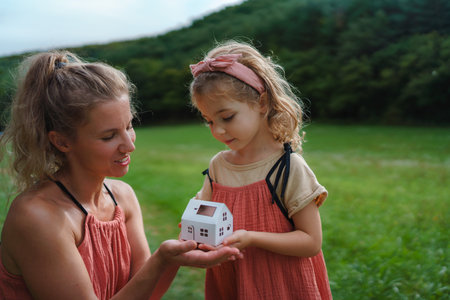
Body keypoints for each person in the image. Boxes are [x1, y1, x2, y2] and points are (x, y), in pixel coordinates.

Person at [0, 51, 241, 300]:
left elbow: (146, 294)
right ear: (62, 141)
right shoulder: (38, 217)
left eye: (129, 126)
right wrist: (160, 261)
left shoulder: (122, 197)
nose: (129, 145)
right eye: (109, 136)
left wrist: (171, 260)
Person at [188, 40, 332, 299]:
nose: (218, 130)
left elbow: (311, 242)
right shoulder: (218, 166)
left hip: (282, 286)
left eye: (227, 117)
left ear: (262, 103)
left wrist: (253, 238)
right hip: (231, 282)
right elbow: (201, 214)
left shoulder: (287, 168)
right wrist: (193, 234)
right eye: (209, 121)